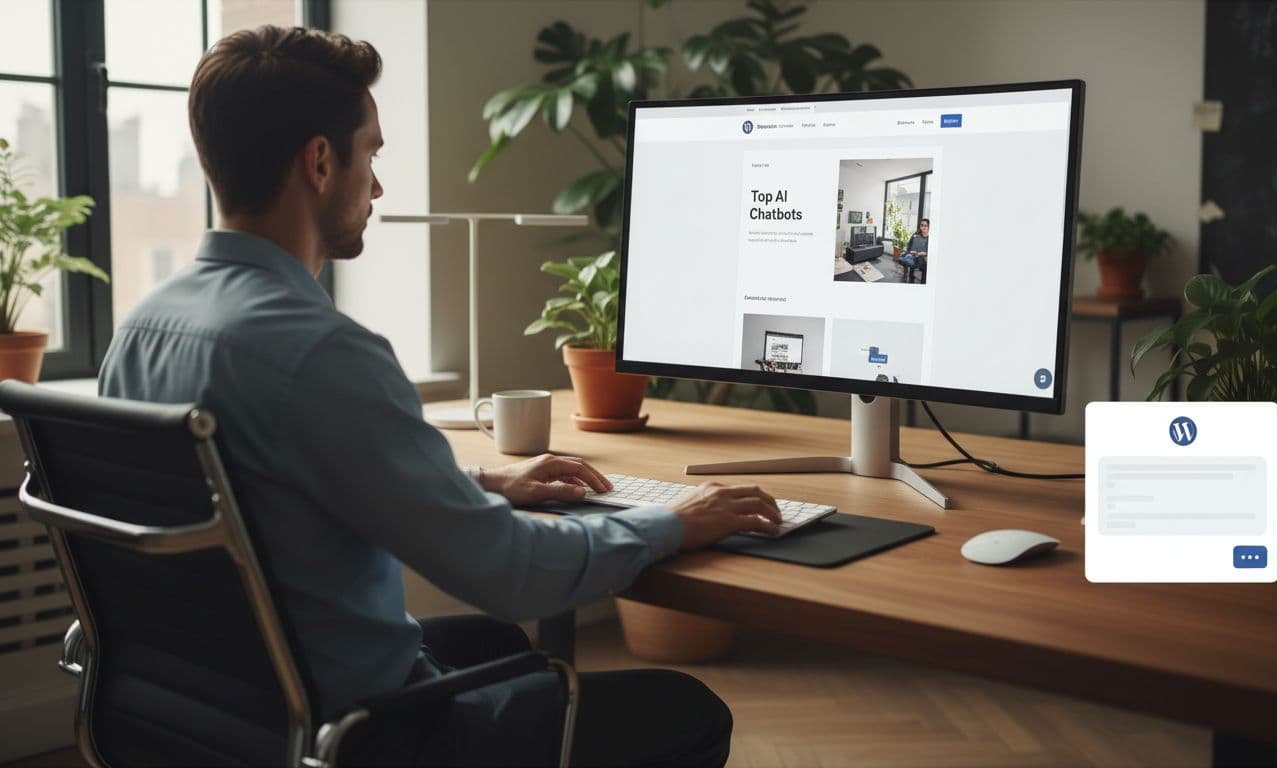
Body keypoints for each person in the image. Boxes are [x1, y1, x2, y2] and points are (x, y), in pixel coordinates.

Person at [98, 25, 782, 767]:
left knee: (494, 648)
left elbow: (271, 490)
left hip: (218, 708)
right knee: (688, 712)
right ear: (321, 162)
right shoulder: (322, 352)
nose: (379, 183)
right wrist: (672, 526)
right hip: (354, 732)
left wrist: (483, 482)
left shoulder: (142, 329)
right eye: (373, 153)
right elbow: (508, 573)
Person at [898, 217, 930, 283]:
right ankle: (910, 275)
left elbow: (929, 251)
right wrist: (907, 252)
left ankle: (923, 282)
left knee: (925, 262)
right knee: (902, 257)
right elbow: (909, 246)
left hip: (922, 258)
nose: (923, 227)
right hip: (913, 255)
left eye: (925, 225)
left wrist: (924, 254)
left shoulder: (930, 238)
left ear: (929, 227)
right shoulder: (915, 235)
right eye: (922, 225)